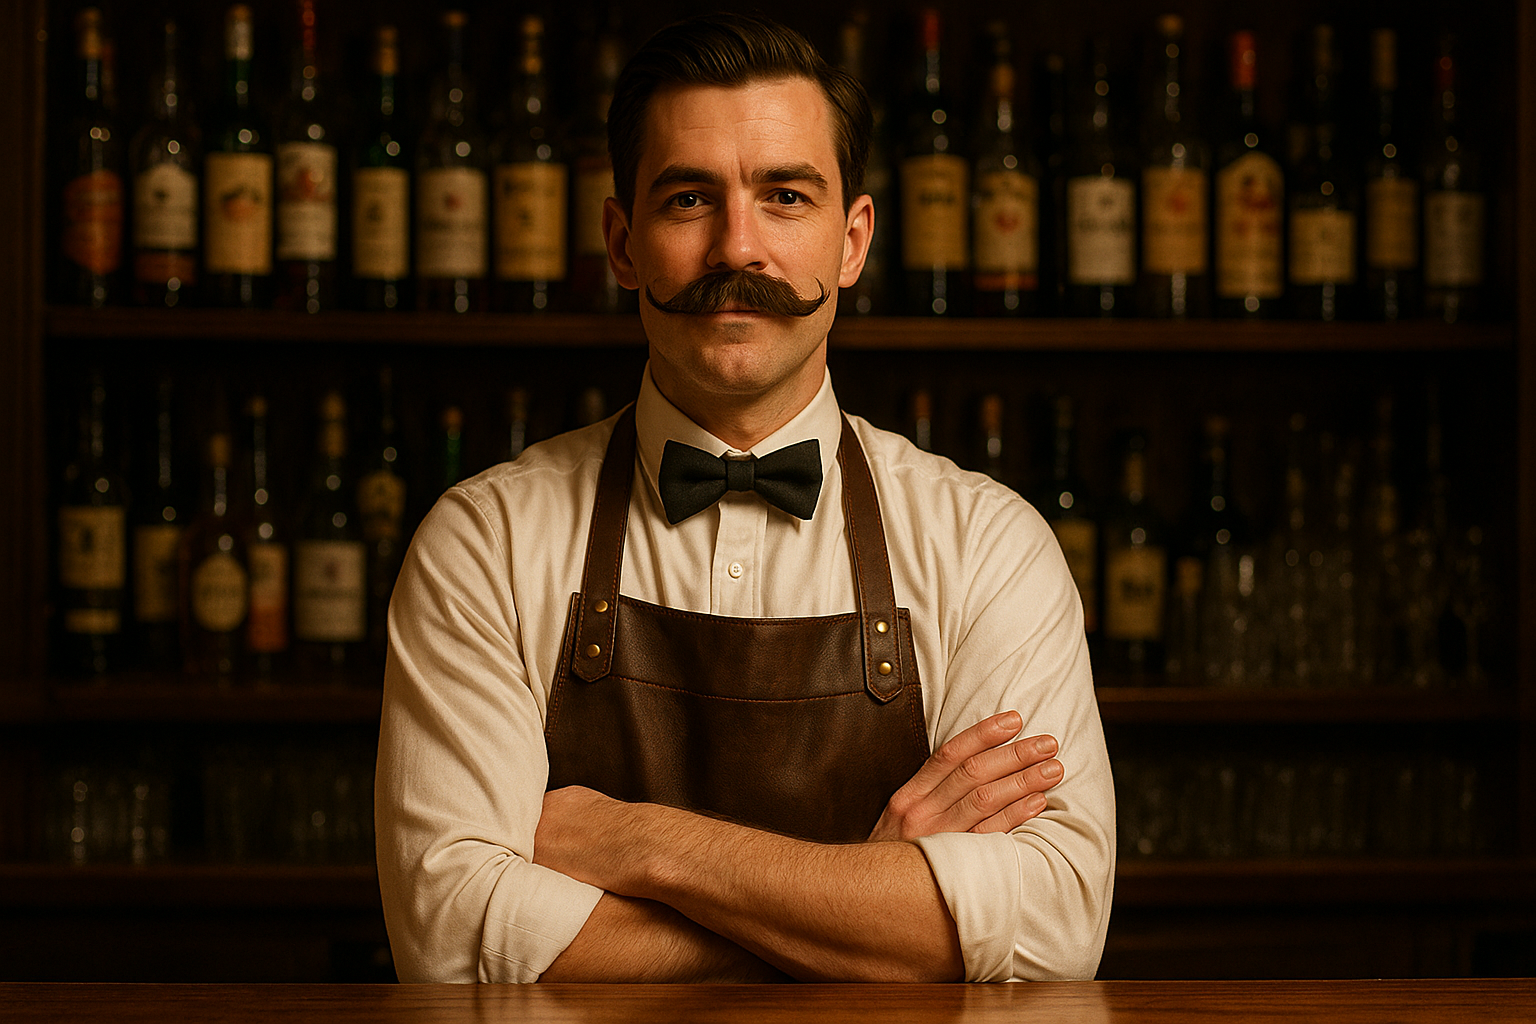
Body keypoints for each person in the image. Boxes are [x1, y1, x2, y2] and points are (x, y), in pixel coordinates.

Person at [375, 12, 1114, 984]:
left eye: (785, 197)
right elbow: (450, 937)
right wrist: (866, 904)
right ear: (622, 243)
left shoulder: (989, 546)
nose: (738, 247)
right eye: (689, 199)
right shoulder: (483, 542)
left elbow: (1055, 930)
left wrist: (643, 844)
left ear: (852, 242)